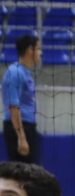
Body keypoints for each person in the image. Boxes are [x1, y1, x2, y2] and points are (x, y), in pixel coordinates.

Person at [2, 36, 42, 165]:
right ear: (30, 50)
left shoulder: (25, 72)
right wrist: (21, 137)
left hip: (27, 126)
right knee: (22, 174)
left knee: (29, 172)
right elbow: (13, 106)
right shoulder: (16, 73)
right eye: (39, 48)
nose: (41, 53)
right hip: (19, 128)